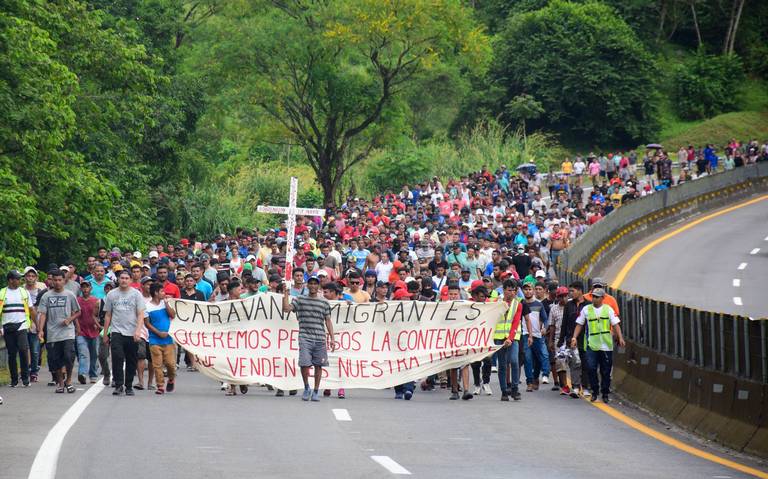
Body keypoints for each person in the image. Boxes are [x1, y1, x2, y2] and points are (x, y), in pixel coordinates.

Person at [282, 275, 335, 401]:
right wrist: (285, 294)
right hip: (305, 337)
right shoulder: (300, 299)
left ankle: (316, 391)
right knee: (305, 364)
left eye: (315, 283)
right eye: (310, 283)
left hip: (320, 338)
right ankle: (307, 387)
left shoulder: (324, 302)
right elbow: (286, 309)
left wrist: (332, 338)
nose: (312, 286)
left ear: (318, 286)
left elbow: (328, 321)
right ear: (307, 285)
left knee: (319, 365)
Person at [571, 288, 625, 403]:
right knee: (591, 368)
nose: (594, 299)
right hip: (592, 345)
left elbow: (616, 324)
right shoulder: (586, 309)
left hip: (606, 346)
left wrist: (620, 337)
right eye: (593, 296)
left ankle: (605, 392)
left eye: (596, 297)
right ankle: (595, 392)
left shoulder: (608, 310)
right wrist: (574, 337)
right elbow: (579, 324)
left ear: (602, 298)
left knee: (606, 370)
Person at [37, 270, 81, 394]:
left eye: (59, 280)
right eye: (54, 280)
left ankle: (69, 381)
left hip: (67, 332)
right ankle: (60, 383)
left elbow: (78, 311)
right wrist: (40, 330)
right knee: (55, 359)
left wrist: (70, 319)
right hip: (52, 333)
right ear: (51, 281)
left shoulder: (70, 294)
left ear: (63, 280)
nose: (57, 282)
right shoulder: (46, 296)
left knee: (69, 356)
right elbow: (43, 314)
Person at [103, 270, 146, 396]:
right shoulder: (111, 294)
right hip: (117, 331)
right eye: (122, 278)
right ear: (118, 279)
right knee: (117, 358)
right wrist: (106, 333)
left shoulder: (136, 294)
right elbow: (108, 315)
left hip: (132, 332)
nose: (124, 280)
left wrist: (138, 330)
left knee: (131, 360)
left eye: (127, 278)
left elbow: (140, 313)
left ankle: (128, 385)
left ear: (131, 280)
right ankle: (118, 384)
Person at [494, 279, 530, 401]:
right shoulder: (496, 303)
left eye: (514, 290)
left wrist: (510, 338)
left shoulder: (518, 305)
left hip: (512, 337)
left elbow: (516, 322)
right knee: (502, 365)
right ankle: (504, 391)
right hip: (499, 337)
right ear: (504, 290)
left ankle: (515, 388)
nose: (512, 293)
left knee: (514, 361)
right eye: (509, 290)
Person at [1, 270, 33, 387]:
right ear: (10, 280)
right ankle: (14, 380)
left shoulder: (24, 292)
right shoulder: (2, 293)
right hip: (7, 326)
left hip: (22, 324)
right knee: (12, 353)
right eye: (17, 278)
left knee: (24, 351)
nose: (19, 280)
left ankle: (25, 378)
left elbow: (31, 309)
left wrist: (35, 323)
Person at [144, 283, 176, 395]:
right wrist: (158, 333)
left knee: (170, 364)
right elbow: (147, 323)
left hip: (168, 340)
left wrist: (167, 304)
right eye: (162, 291)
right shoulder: (147, 306)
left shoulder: (165, 303)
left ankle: (171, 379)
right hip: (154, 340)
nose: (164, 293)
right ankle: (160, 385)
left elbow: (173, 315)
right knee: (157, 365)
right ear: (156, 293)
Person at [76, 280, 101, 384]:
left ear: (91, 288)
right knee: (83, 353)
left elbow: (100, 315)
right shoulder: (77, 300)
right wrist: (77, 327)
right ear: (81, 289)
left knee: (94, 353)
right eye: (83, 287)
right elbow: (75, 314)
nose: (85, 289)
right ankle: (82, 373)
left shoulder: (96, 301)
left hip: (94, 331)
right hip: (81, 331)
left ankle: (93, 374)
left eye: (87, 287)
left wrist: (98, 324)